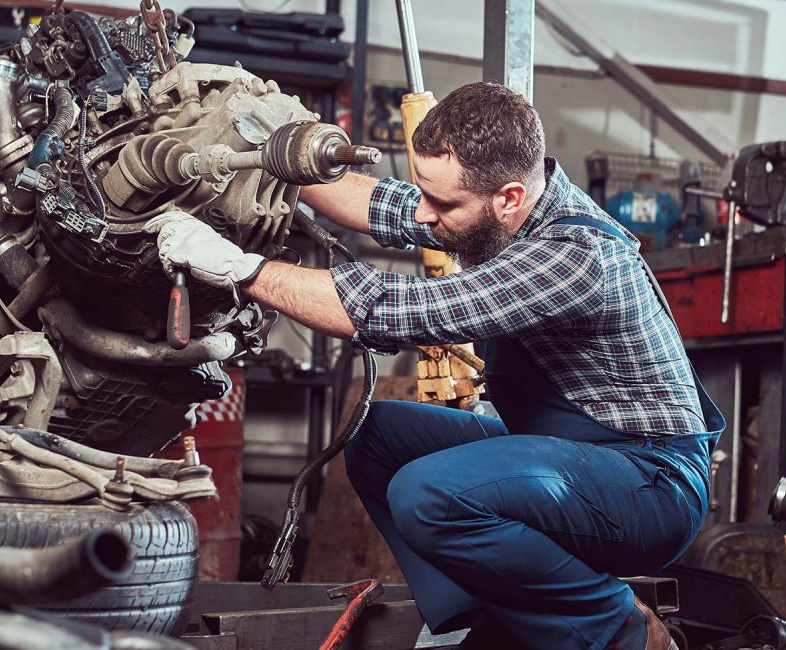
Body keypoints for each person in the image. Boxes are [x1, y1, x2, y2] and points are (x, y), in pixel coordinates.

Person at [146, 81, 724, 650]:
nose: (425, 214)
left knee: (430, 495)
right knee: (374, 436)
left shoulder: (574, 256)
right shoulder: (496, 214)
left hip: (650, 484)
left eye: (443, 203)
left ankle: (624, 631)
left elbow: (396, 309)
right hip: (574, 450)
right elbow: (380, 203)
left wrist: (236, 268)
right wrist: (281, 157)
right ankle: (491, 612)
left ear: (509, 197)